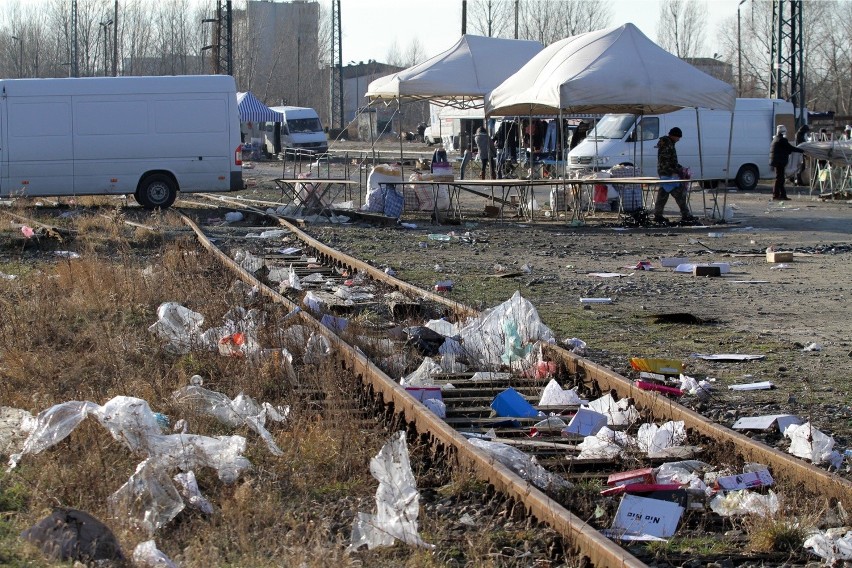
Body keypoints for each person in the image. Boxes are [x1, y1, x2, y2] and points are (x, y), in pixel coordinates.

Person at [653, 127, 694, 224]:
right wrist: (675, 170)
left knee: (663, 195)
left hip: (666, 173)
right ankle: (686, 215)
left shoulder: (668, 143)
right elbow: (665, 161)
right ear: (673, 135)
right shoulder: (667, 145)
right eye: (678, 137)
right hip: (668, 174)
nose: (678, 139)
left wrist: (680, 168)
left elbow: (671, 160)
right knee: (679, 194)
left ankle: (658, 215)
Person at [769, 124, 804, 200]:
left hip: (776, 161)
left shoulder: (775, 139)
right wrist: (802, 150)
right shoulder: (782, 140)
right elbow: (790, 148)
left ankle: (782, 195)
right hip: (780, 161)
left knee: (781, 178)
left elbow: (786, 149)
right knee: (779, 179)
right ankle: (776, 195)